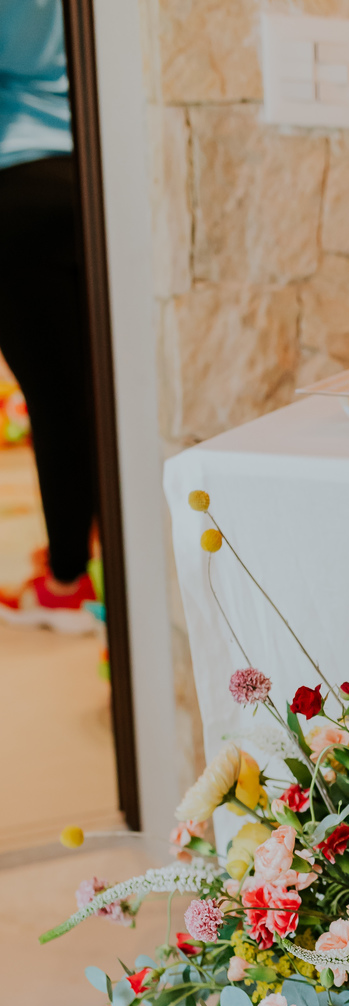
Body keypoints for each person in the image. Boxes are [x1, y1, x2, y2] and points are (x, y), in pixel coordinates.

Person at [0, 0, 99, 632]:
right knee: (89, 389)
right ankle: (86, 555)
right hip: (88, 178)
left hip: (14, 190)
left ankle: (66, 580)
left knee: (55, 400)